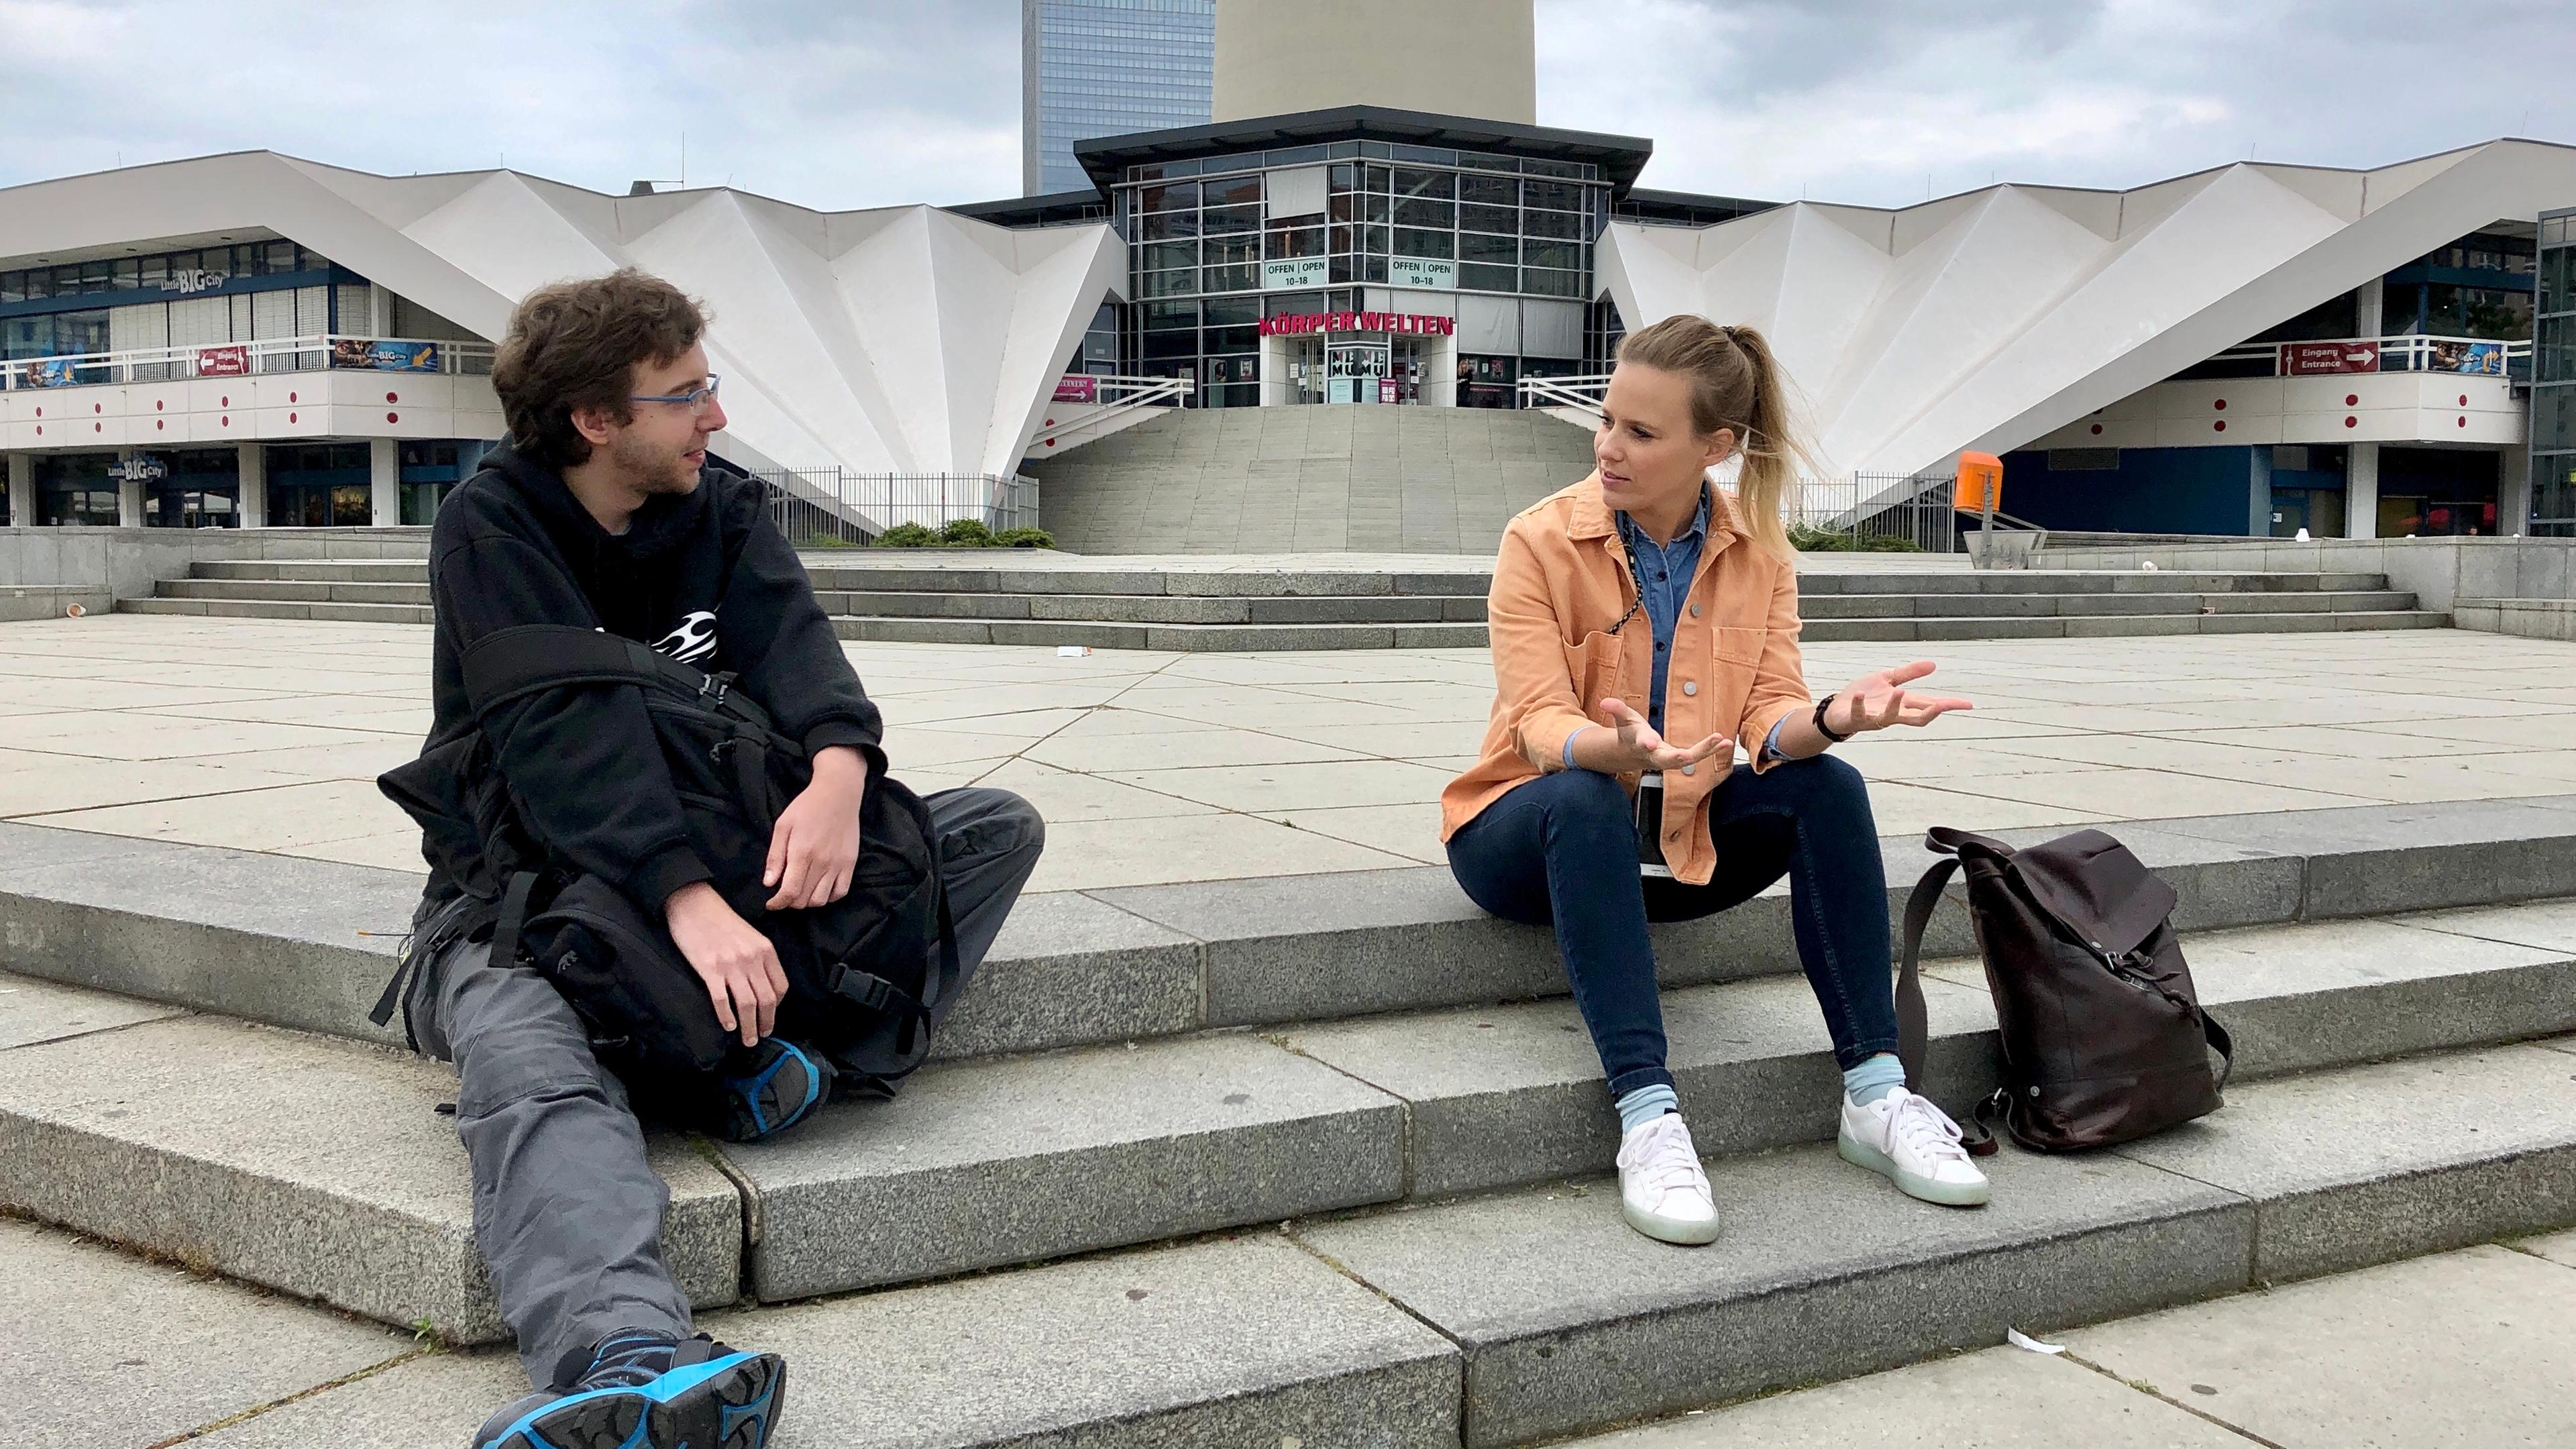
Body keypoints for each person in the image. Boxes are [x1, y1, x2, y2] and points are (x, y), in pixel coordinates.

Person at [401, 270, 1044, 1448]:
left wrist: (841, 780)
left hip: (720, 870)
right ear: (597, 421)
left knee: (989, 831)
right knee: (528, 1058)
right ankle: (625, 1354)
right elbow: (561, 743)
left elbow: (805, 664)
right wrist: (684, 897)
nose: (714, 416)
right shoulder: (491, 529)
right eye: (685, 394)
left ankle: (741, 1063)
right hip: (528, 902)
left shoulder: (724, 508)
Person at [1440, 314, 1985, 1247]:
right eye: (1608, 421)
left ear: (1716, 447)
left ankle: (1876, 1094)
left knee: (1829, 787)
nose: (1610, 446)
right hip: (1526, 836)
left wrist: (1833, 719)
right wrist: (1609, 754)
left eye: (1642, 432)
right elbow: (1536, 725)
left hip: (1675, 844)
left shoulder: (1760, 556)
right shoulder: (1538, 542)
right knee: (1578, 797)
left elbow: (1770, 718)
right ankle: (1649, 1118)